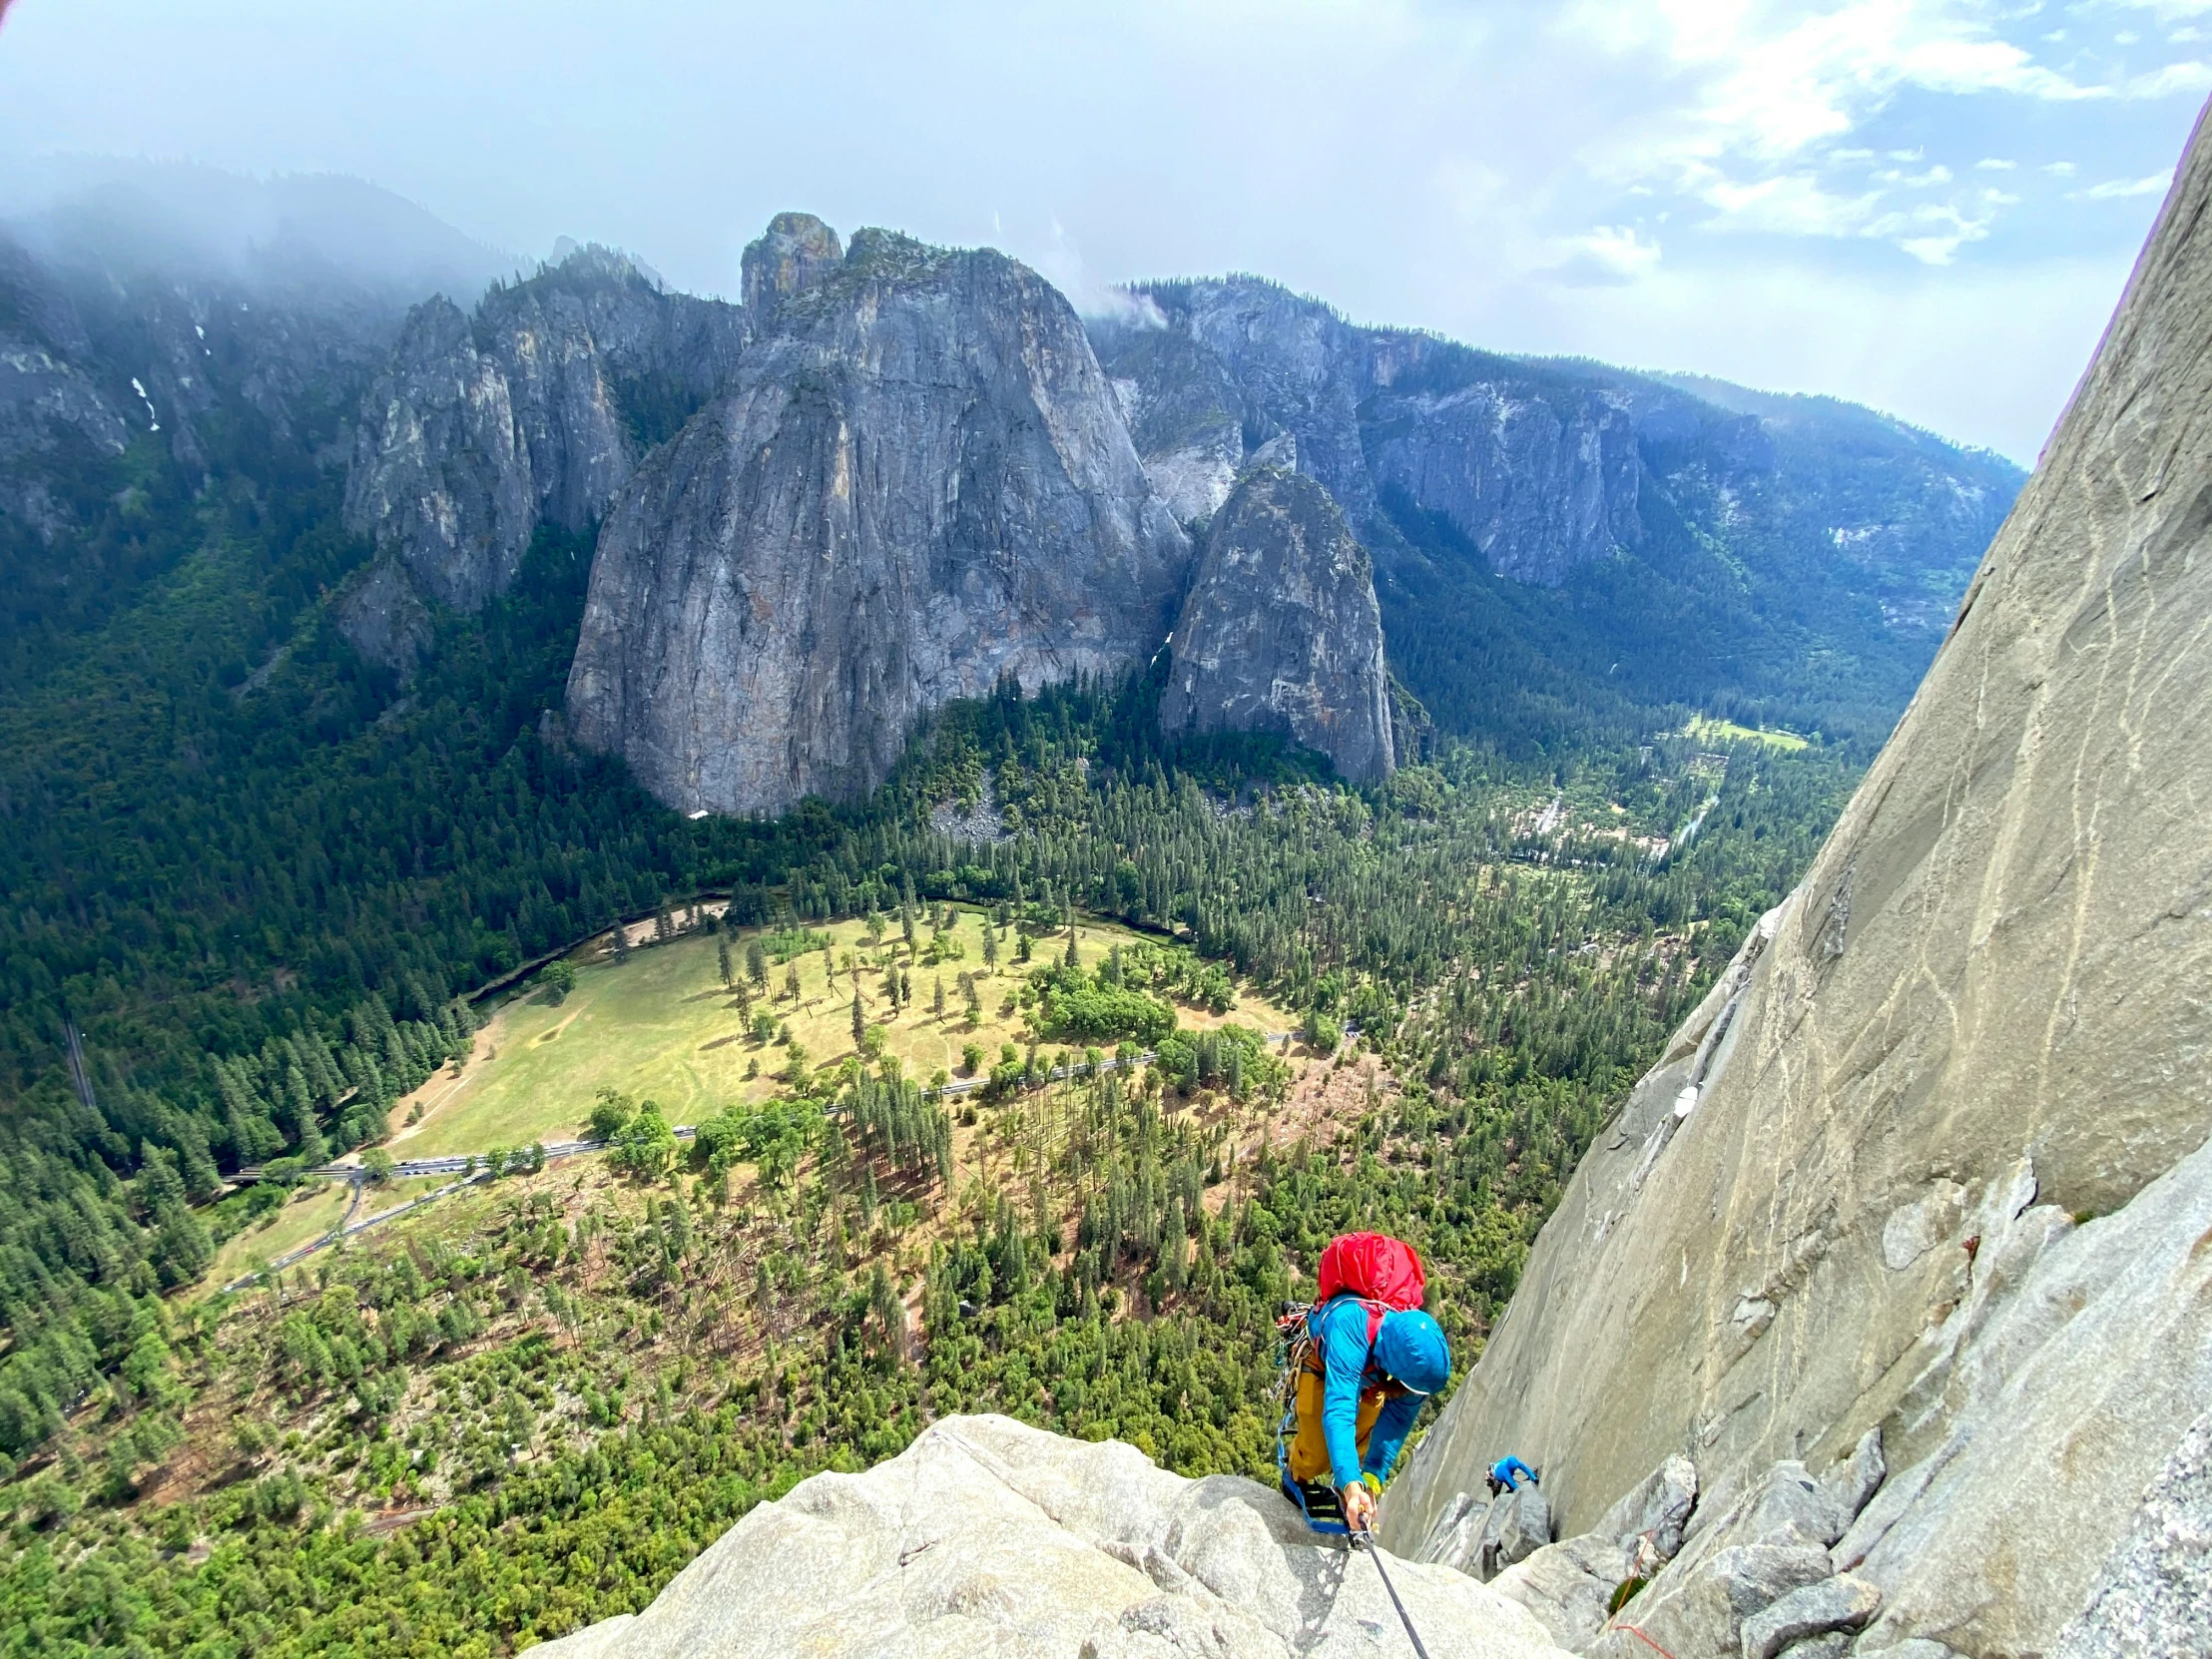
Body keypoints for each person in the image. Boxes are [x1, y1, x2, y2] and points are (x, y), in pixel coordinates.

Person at [1283, 1293, 1452, 1534]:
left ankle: (1351, 1495)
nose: (1412, 1395)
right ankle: (1296, 1475)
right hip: (1322, 1361)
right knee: (1316, 1452)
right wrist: (1352, 1482)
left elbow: (1397, 1421)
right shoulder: (1350, 1329)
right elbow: (1339, 1413)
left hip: (1373, 1373)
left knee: (1364, 1440)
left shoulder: (1412, 1366)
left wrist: (1371, 1480)